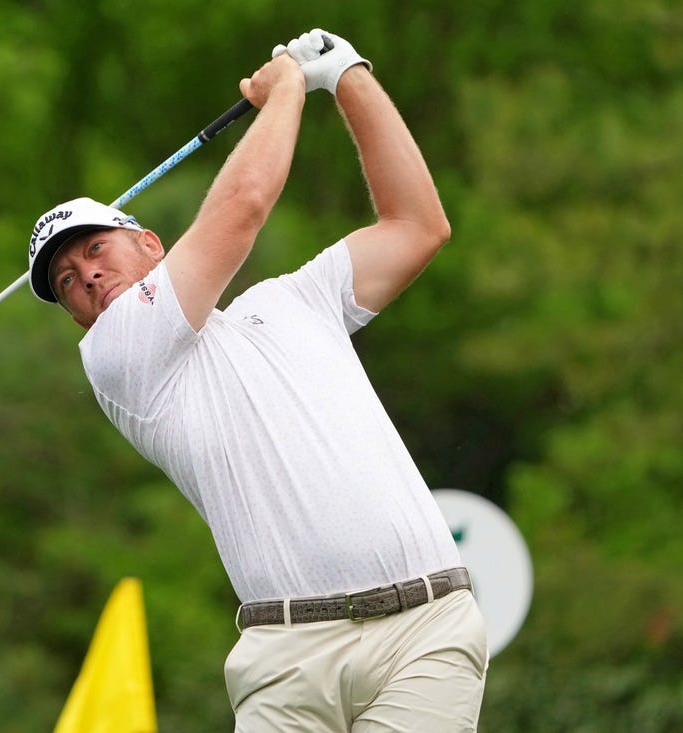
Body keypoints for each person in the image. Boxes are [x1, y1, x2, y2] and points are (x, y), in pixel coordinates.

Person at [27, 28, 488, 732]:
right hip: (285, 660)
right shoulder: (118, 357)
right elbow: (242, 204)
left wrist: (347, 75)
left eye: (96, 248)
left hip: (424, 633)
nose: (86, 274)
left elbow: (417, 225)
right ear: (78, 319)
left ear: (150, 242)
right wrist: (286, 90)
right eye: (66, 281)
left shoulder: (290, 299)